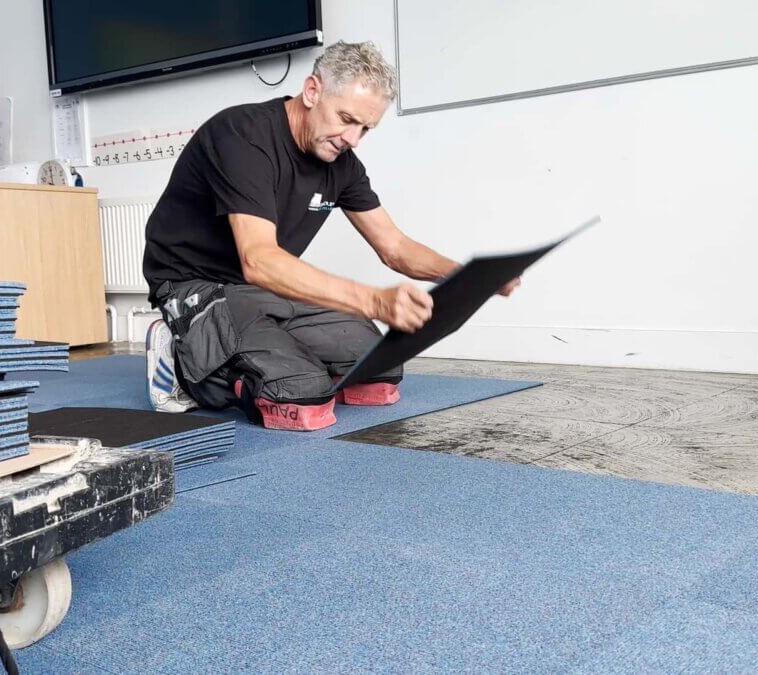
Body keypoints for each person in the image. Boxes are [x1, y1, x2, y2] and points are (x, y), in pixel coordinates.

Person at [143, 40, 518, 431]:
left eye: (365, 129)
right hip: (194, 285)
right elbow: (259, 260)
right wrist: (373, 301)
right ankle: (177, 357)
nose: (353, 139)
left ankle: (258, 344)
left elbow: (395, 247)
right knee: (299, 396)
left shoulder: (341, 162)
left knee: (378, 372)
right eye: (346, 118)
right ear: (312, 91)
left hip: (264, 289)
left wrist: (470, 277)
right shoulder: (242, 136)